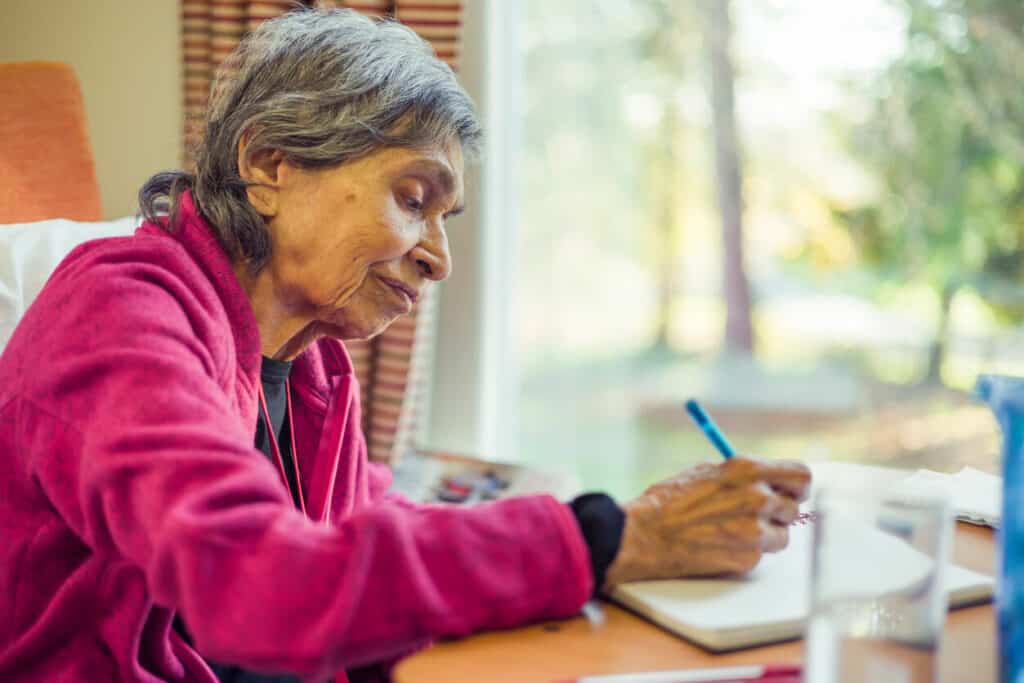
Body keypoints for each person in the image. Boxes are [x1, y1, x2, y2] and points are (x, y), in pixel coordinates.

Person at [0, 8, 811, 683]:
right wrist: (613, 537)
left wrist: (626, 526)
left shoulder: (312, 365)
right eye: (413, 197)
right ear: (268, 163)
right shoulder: (120, 313)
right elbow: (260, 580)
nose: (439, 257)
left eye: (444, 219)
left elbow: (359, 536)